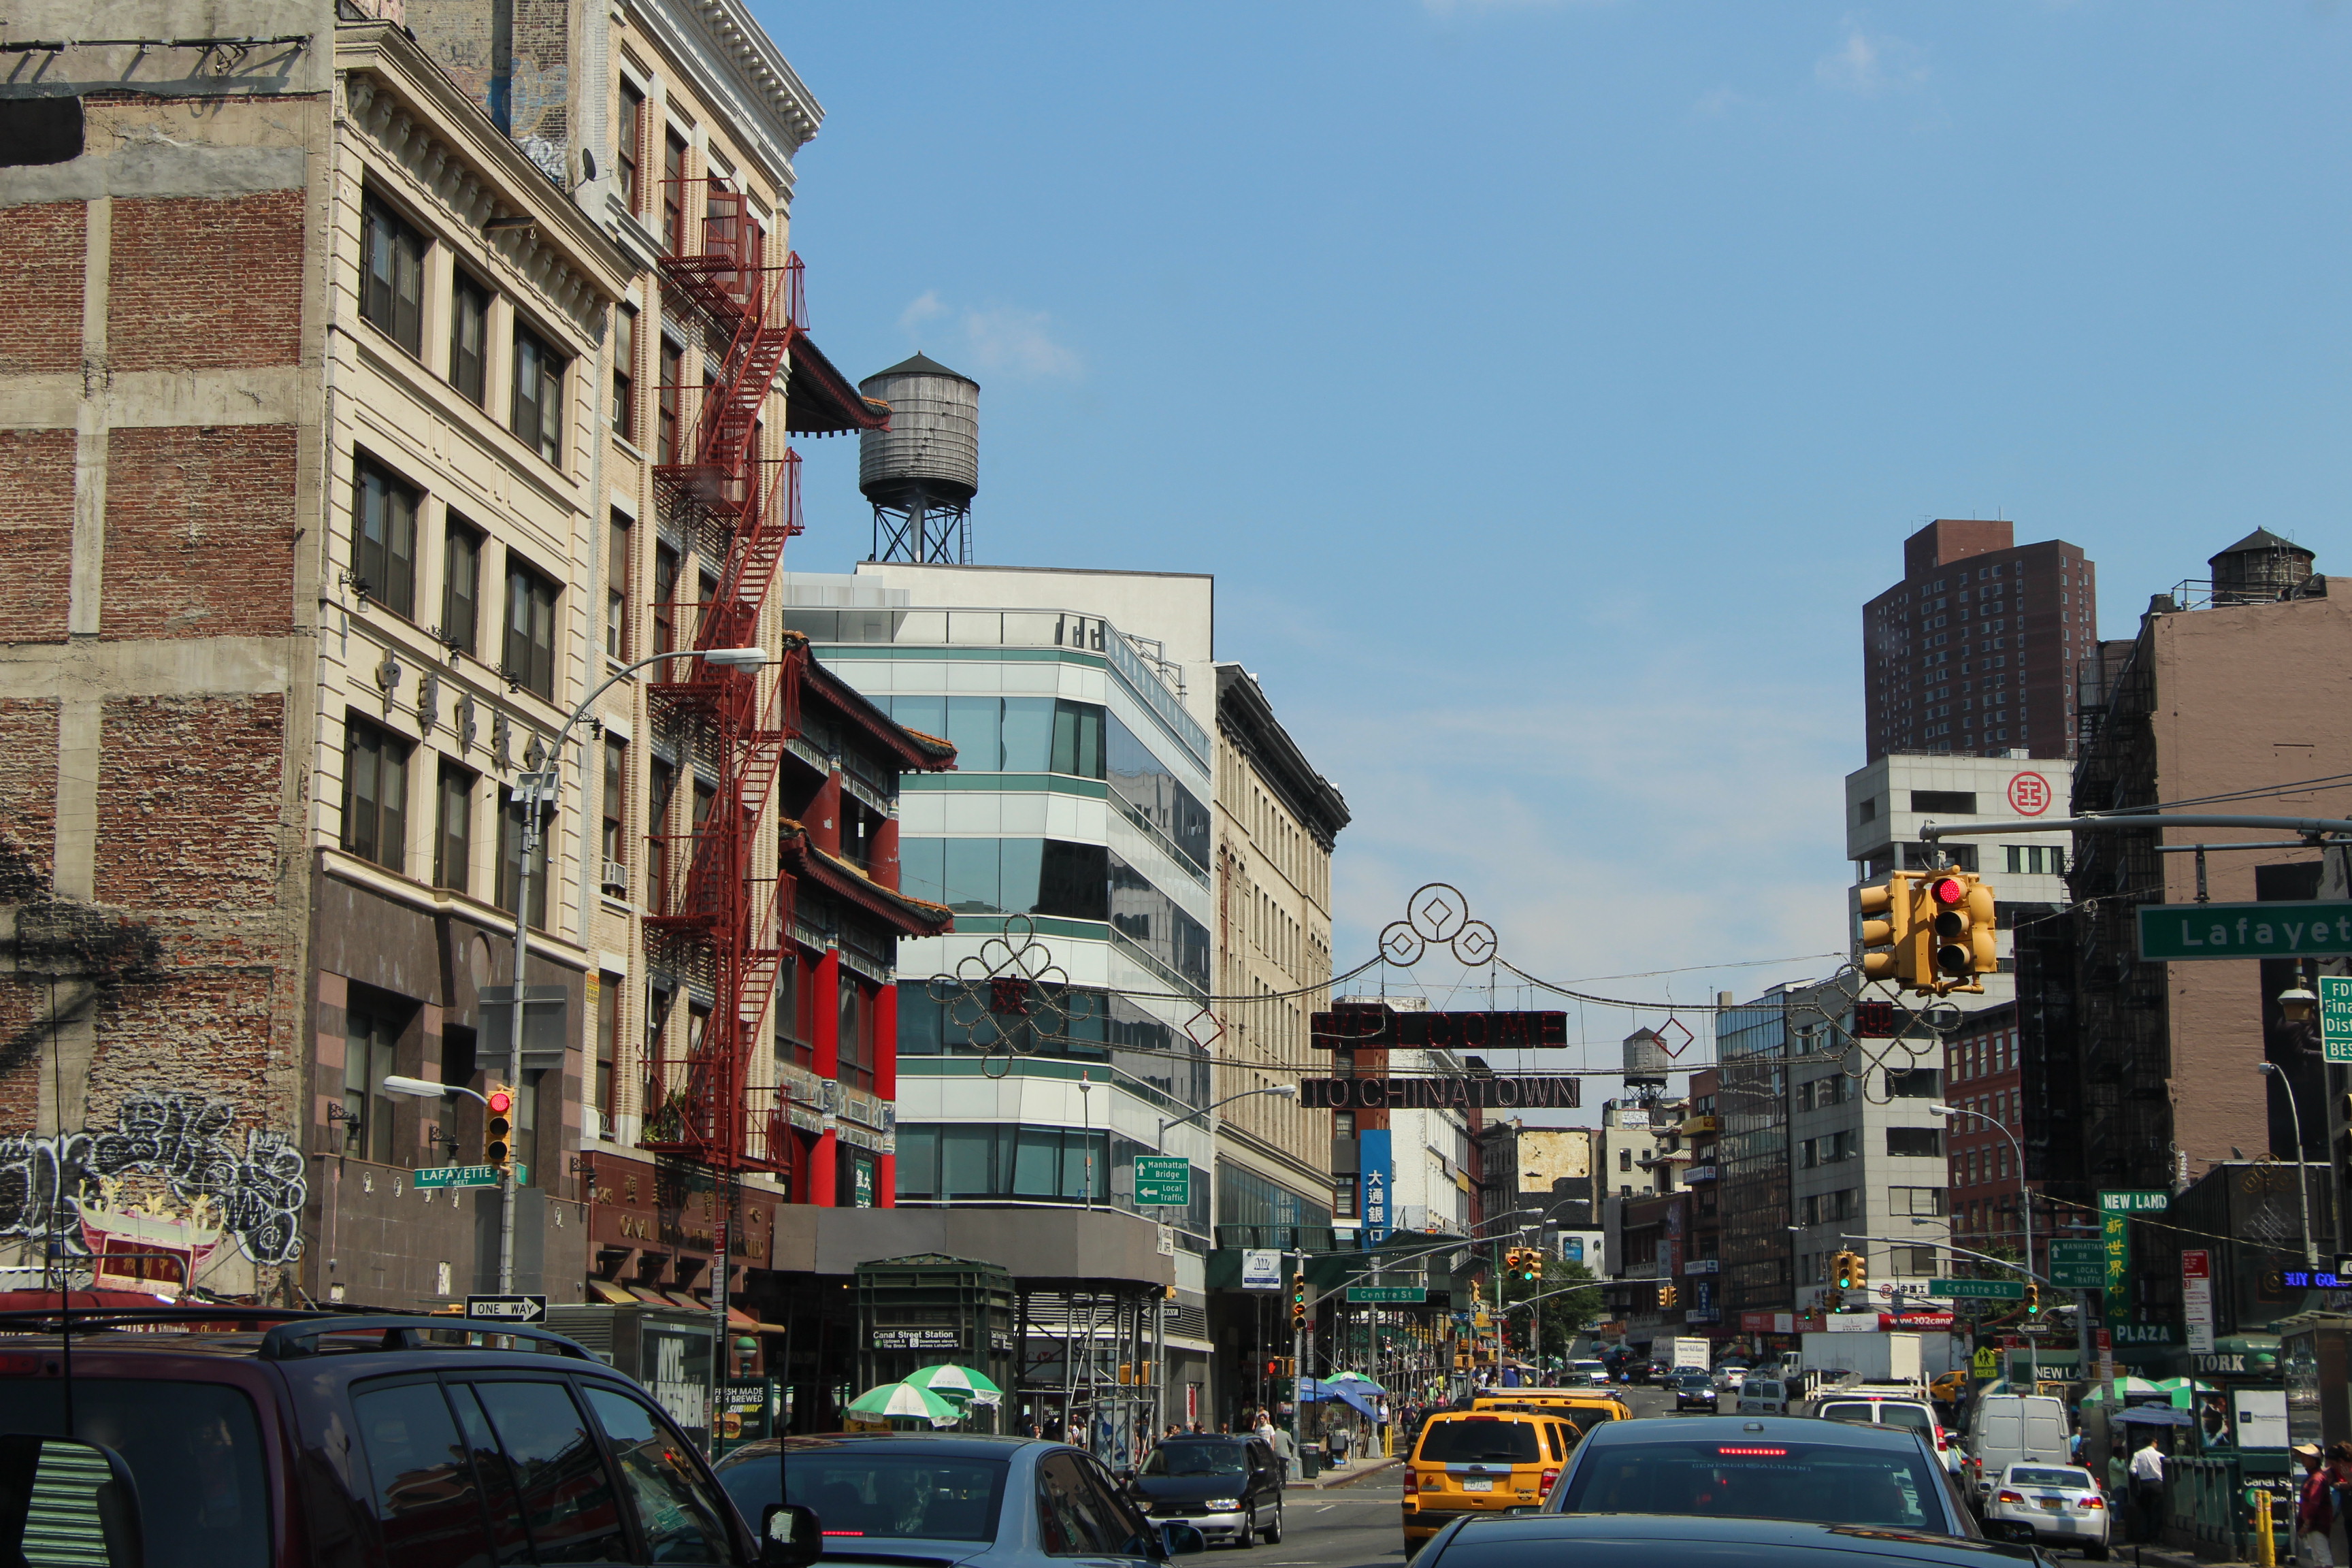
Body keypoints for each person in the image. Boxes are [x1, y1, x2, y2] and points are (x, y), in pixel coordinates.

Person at [2294, 1443, 2334, 1567]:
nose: (2302, 1460)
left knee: (2322, 1556)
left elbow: (2314, 1503)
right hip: (2314, 1523)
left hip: (2316, 1523)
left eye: (2305, 1457)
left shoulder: (2316, 1479)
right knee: (2317, 1556)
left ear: (2313, 1459)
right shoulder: (2314, 1477)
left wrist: (2306, 1524)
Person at [2130, 1434, 2168, 1544]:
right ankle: (2154, 1537)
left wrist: (2140, 1474)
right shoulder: (2160, 1455)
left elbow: (2132, 1469)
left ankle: (2144, 1535)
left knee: (2144, 1511)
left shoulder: (2138, 1454)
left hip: (2144, 1485)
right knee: (2156, 1511)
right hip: (2157, 1485)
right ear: (2154, 1442)